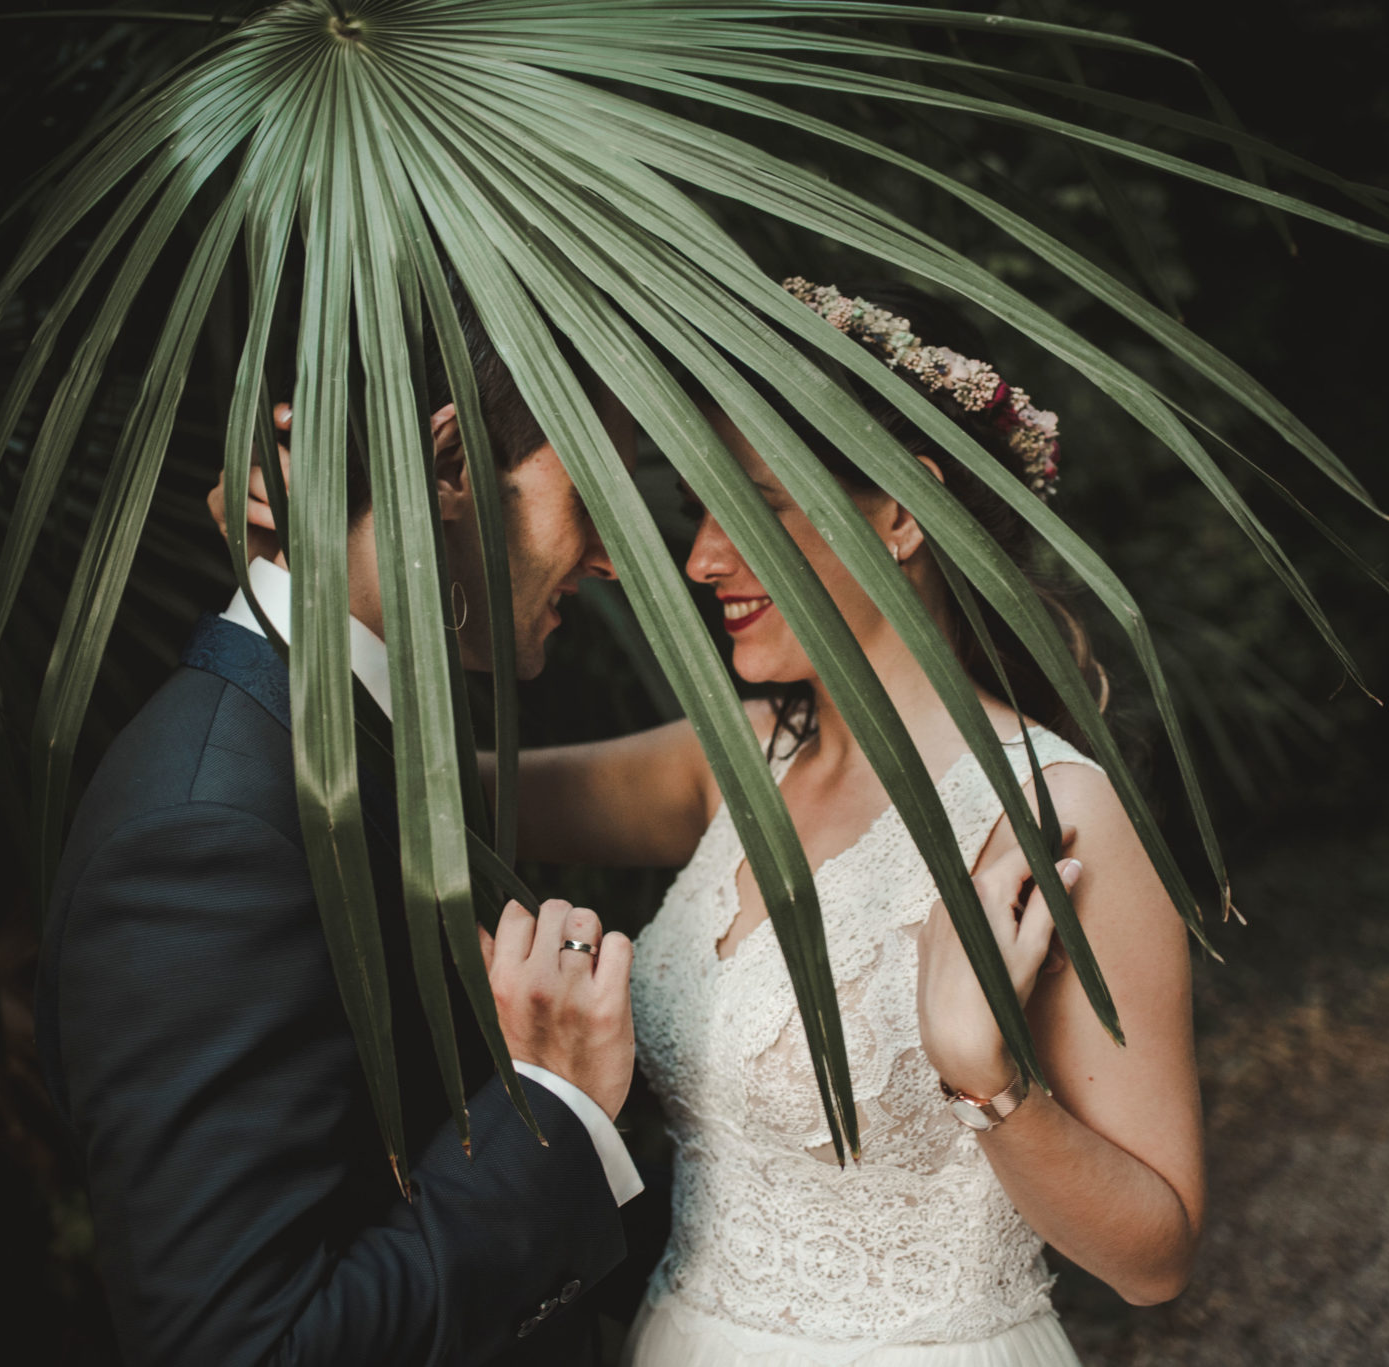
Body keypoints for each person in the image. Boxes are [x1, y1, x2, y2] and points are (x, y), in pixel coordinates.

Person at [220, 279, 1207, 1364]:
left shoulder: (1054, 811)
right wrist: (311, 564)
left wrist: (991, 1083)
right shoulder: (732, 761)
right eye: (696, 510)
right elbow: (405, 788)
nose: (697, 558)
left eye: (753, 509)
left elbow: (1152, 1257)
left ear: (899, 509)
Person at [38, 291, 650, 1366]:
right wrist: (550, 1105)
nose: (612, 559)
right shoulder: (205, 836)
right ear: (451, 466)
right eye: (594, 494)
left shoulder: (338, 737)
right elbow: (245, 1347)